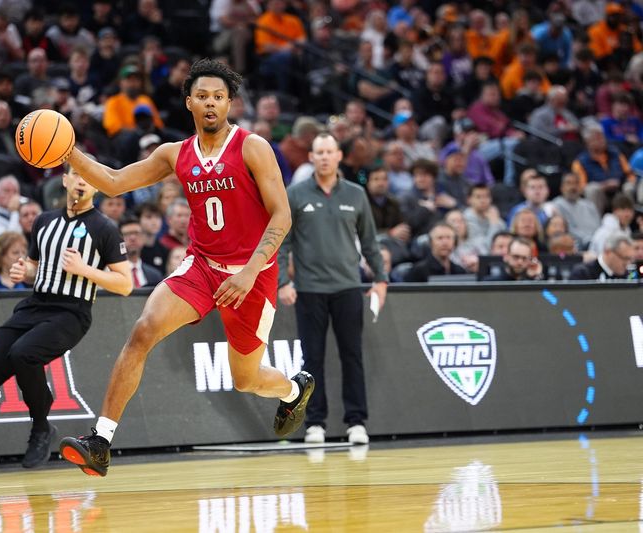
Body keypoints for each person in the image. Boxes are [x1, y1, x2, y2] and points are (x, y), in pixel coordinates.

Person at [57, 58, 314, 477]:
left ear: (230, 102)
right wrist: (70, 153)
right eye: (202, 96)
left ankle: (293, 388)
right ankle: (100, 441)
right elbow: (115, 181)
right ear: (188, 102)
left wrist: (249, 272)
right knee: (142, 331)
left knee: (246, 379)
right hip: (202, 266)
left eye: (218, 97)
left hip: (253, 273)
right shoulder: (174, 154)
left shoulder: (252, 147)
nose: (210, 103)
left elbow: (281, 216)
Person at [0, 166, 132, 478]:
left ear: (98, 186)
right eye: (76, 175)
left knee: (24, 353)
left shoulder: (104, 228)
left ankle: (40, 427)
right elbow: (38, 267)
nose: (81, 181)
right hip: (35, 305)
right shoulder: (44, 221)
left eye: (89, 178)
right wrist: (25, 272)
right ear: (64, 181)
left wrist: (85, 270)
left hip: (71, 312)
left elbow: (125, 283)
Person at [277, 133, 387, 445]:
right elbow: (282, 243)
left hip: (348, 287)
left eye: (329, 151)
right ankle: (315, 423)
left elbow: (369, 242)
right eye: (319, 152)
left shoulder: (355, 194)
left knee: (352, 356)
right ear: (311, 157)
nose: (324, 157)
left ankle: (356, 422)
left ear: (339, 156)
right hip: (309, 290)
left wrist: (380, 279)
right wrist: (283, 282)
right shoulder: (295, 194)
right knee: (312, 360)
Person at [403, 222, 467, 282]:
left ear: (455, 243)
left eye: (449, 238)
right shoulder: (418, 271)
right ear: (431, 243)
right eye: (440, 238)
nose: (445, 243)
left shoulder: (460, 271)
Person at [119, 216, 163, 289]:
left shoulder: (155, 275)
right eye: (127, 234)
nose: (133, 238)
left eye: (137, 233)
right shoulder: (111, 273)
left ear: (143, 237)